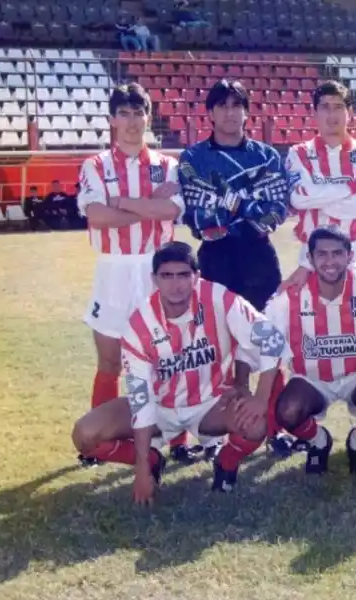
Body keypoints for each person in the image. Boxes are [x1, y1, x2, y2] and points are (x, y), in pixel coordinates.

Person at [71, 242, 286, 504]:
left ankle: (226, 463)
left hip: (210, 404)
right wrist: (141, 468)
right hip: (159, 407)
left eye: (184, 275)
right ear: (154, 280)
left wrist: (260, 398)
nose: (176, 284)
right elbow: (141, 400)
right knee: (85, 435)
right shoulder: (139, 324)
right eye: (167, 276)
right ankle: (153, 461)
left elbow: (272, 340)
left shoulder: (219, 298)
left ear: (196, 276)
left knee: (255, 425)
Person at [178, 79, 292, 456]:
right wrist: (247, 202)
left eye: (236, 105)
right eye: (222, 106)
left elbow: (274, 212)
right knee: (214, 344)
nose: (230, 113)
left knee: (267, 335)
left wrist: (225, 204)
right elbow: (197, 217)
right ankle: (213, 434)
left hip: (259, 257)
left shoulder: (268, 156)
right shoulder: (193, 158)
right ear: (209, 113)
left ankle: (276, 427)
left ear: (246, 110)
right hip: (215, 258)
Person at [76, 83, 183, 465]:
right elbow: (95, 215)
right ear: (111, 120)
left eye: (139, 113)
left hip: (157, 269)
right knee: (109, 361)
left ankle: (179, 438)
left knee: (167, 355)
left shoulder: (168, 165)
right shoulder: (95, 165)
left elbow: (170, 212)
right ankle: (97, 440)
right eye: (124, 113)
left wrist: (120, 203)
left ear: (148, 118)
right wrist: (147, 205)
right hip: (113, 270)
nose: (132, 121)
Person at [265, 226, 356, 475]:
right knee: (287, 411)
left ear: (350, 256)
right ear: (311, 258)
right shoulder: (291, 295)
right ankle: (319, 442)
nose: (330, 262)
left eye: (337, 253)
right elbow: (266, 343)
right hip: (312, 379)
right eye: (322, 254)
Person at [285, 81, 356, 269]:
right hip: (313, 254)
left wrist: (322, 201)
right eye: (325, 107)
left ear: (350, 113)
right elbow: (298, 199)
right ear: (315, 113)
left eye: (338, 107)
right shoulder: (299, 153)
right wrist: (350, 187)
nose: (331, 114)